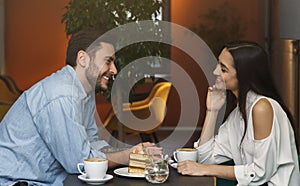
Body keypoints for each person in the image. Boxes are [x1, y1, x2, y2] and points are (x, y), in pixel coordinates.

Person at [0, 28, 160, 186]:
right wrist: (127, 156)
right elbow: (79, 162)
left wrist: (134, 153)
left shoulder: (84, 91)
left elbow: (91, 141)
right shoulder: (62, 94)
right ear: (83, 59)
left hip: (48, 178)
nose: (114, 70)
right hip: (15, 181)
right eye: (107, 61)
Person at [177, 41, 299, 185]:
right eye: (218, 64)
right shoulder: (239, 112)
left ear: (243, 75)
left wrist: (205, 169)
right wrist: (212, 111)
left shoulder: (262, 107)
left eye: (223, 69)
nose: (215, 72)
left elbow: (260, 172)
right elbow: (205, 157)